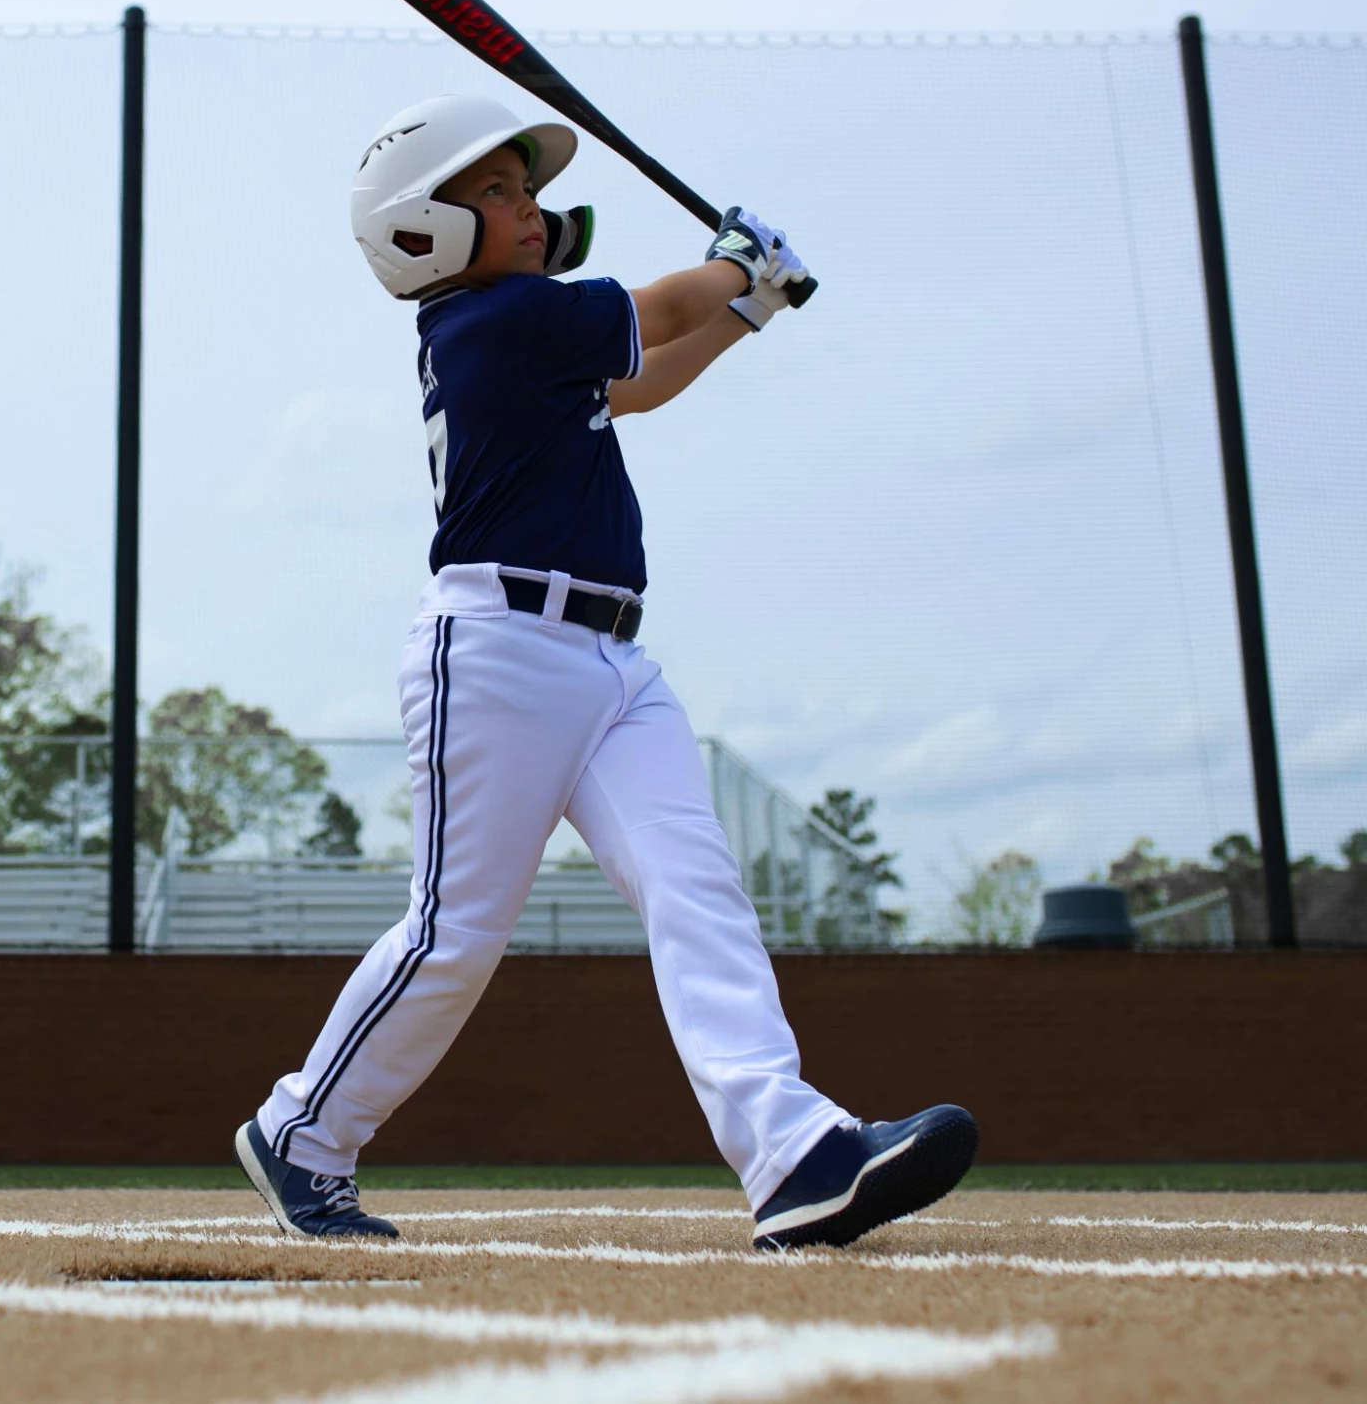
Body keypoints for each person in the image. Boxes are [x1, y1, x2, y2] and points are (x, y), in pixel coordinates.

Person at [233, 95, 977, 1251]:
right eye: (494, 191)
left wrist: (749, 306)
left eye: (525, 187)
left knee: (695, 886)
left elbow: (644, 380)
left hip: (611, 661)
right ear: (419, 225)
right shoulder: (494, 318)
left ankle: (791, 1150)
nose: (528, 207)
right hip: (497, 651)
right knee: (454, 932)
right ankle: (301, 1132)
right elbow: (660, 308)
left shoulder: (528, 335)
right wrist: (733, 263)